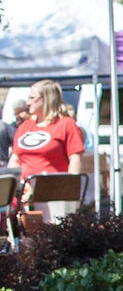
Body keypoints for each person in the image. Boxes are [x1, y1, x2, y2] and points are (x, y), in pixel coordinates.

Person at [10, 80, 91, 214]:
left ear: (46, 98)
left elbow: (75, 160)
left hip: (54, 193)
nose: (28, 102)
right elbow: (15, 158)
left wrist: (70, 190)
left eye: (32, 98)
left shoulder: (66, 124)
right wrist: (16, 187)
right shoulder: (25, 126)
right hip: (24, 195)